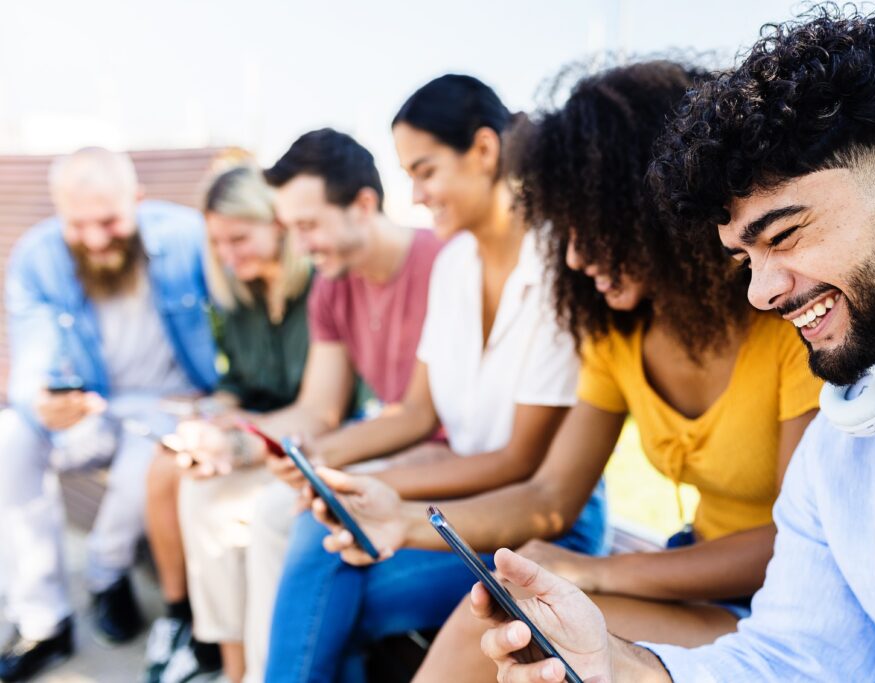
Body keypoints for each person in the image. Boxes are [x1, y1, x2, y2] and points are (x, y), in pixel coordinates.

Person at [471, 7, 875, 682]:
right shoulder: (840, 453)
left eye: (785, 235)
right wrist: (618, 664)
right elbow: (793, 659)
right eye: (744, 257)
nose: (761, 293)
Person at [315, 61, 820, 683]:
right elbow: (550, 499)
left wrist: (592, 571)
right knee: (499, 623)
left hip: (775, 611)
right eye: (568, 232)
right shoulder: (618, 337)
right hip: (684, 581)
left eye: (594, 228)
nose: (576, 256)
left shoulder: (785, 328)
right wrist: (401, 518)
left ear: (661, 208)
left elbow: (790, 544)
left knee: (521, 625)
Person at [264, 74, 607, 683]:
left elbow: (522, 463)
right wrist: (321, 456)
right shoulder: (452, 266)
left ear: (482, 150)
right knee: (323, 574)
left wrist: (382, 490)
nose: (416, 196)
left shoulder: (562, 267)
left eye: (425, 171)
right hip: (458, 506)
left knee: (326, 594)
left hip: (531, 525)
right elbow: (417, 414)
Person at [171, 128, 442, 683]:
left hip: (430, 456)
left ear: (364, 205)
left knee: (279, 511)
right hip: (376, 446)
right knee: (220, 493)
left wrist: (308, 456)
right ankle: (240, 667)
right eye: (292, 227)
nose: (300, 242)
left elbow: (420, 418)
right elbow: (317, 408)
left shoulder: (439, 265)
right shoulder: (332, 285)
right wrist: (241, 442)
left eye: (307, 225)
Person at [0, 148, 218, 681]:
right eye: (79, 225)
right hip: (92, 407)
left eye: (109, 221)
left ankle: (106, 575)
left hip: (173, 403)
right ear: (58, 213)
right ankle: (42, 619)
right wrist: (42, 401)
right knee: (10, 438)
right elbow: (31, 356)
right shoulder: (38, 257)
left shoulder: (188, 238)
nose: (97, 240)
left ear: (138, 201)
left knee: (147, 460)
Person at [141, 163, 312, 683]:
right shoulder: (240, 299)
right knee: (182, 473)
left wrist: (234, 431)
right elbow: (239, 382)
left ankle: (234, 662)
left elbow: (326, 408)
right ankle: (219, 655)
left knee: (211, 500)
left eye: (239, 237)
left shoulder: (319, 289)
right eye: (219, 243)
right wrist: (212, 413)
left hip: (311, 441)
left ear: (277, 223)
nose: (229, 255)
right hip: (260, 431)